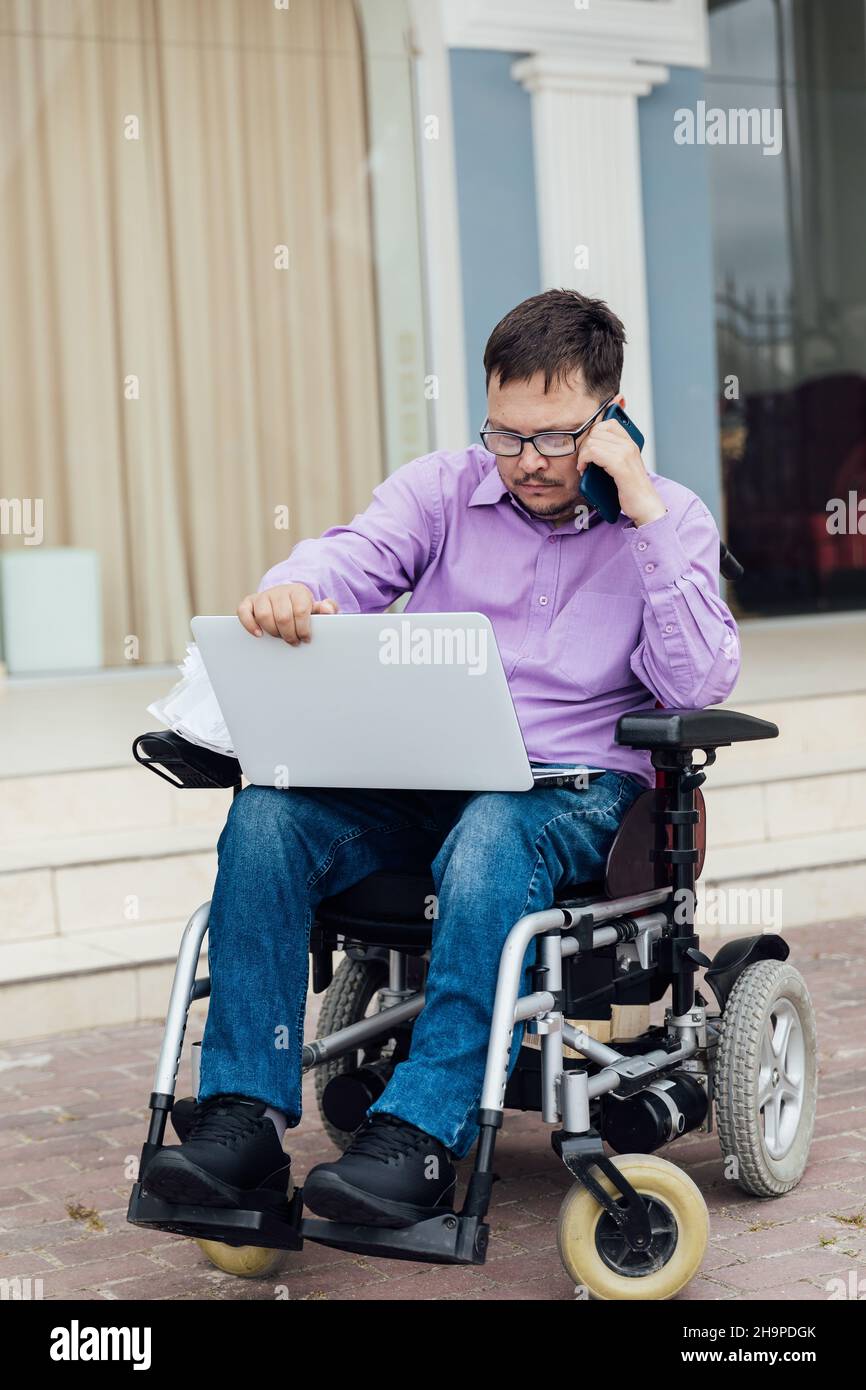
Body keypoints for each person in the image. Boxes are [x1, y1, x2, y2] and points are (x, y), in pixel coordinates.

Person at [141, 289, 740, 1228]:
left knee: (494, 832)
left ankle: (421, 1135)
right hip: (424, 780)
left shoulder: (670, 521)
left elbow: (699, 682)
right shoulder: (442, 489)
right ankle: (241, 1119)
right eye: (506, 435)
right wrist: (293, 591)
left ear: (612, 419)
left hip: (573, 796)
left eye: (553, 439)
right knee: (270, 812)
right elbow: (351, 556)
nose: (527, 463)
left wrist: (641, 509)